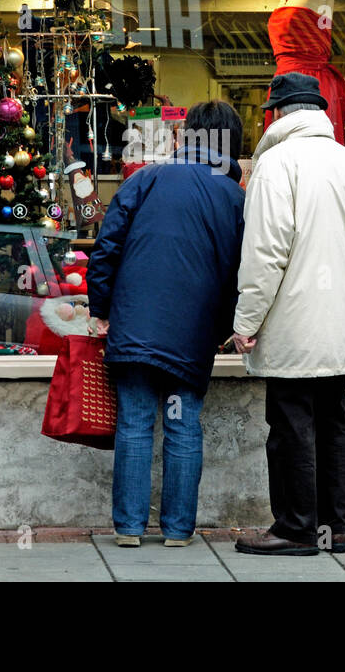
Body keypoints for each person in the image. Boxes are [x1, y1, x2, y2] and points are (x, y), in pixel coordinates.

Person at [231, 72, 345, 556]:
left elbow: (264, 254)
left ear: (275, 113)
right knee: (333, 422)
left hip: (293, 325)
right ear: (319, 113)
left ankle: (296, 528)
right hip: (336, 323)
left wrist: (245, 323)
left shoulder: (276, 165)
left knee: (292, 424)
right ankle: (334, 529)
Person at [87, 101, 246, 548]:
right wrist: (227, 328)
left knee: (135, 421)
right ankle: (178, 531)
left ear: (185, 138)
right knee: (182, 422)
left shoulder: (146, 180)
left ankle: (129, 528)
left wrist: (100, 310)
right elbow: (242, 272)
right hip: (191, 333)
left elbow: (106, 249)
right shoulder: (235, 197)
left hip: (135, 324)